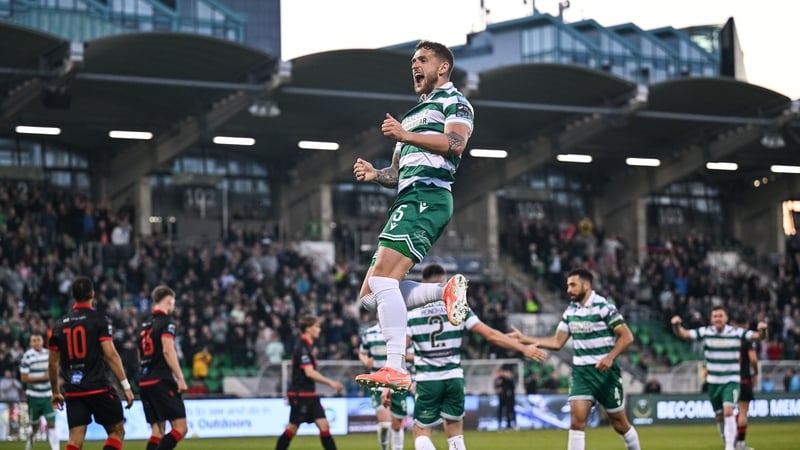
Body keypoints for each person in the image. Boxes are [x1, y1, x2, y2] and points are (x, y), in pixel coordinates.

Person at [352, 39, 475, 391]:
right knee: (368, 296)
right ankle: (444, 291)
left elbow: (455, 144)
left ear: (443, 67)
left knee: (383, 282)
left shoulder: (455, 102)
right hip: (407, 197)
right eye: (412, 62)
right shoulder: (410, 115)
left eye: (422, 59)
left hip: (429, 196)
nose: (415, 66)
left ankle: (396, 367)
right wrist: (377, 175)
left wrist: (406, 134)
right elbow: (397, 173)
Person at [400, 275, 546, 450]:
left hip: (427, 379)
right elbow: (490, 335)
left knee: (421, 432)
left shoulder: (412, 314)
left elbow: (400, 351)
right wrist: (523, 348)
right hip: (454, 378)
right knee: (455, 434)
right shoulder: (458, 307)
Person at [508, 268, 642, 450]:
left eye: (573, 285)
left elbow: (627, 337)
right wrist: (525, 339)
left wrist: (610, 357)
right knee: (577, 421)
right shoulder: (570, 311)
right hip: (581, 373)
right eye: (568, 285)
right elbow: (557, 342)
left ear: (586, 285)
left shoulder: (604, 307)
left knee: (619, 424)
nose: (568, 289)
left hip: (606, 373)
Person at [48, 276, 134, 450]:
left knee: (75, 439)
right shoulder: (99, 319)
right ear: (93, 294)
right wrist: (126, 386)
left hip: (73, 390)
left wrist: (56, 392)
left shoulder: (59, 325)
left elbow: (52, 363)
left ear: (73, 295)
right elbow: (110, 354)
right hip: (98, 387)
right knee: (117, 431)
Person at [671, 306, 767, 450]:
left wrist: (763, 330)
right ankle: (729, 442)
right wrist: (676, 325)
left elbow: (758, 337)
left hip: (731, 380)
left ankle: (729, 447)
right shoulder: (706, 332)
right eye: (715, 316)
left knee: (728, 411)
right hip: (713, 382)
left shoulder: (736, 333)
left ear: (726, 318)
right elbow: (683, 334)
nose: (717, 319)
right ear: (711, 319)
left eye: (720, 316)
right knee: (719, 417)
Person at [275, 316, 344, 450]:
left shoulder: (307, 347)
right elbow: (309, 372)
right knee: (292, 428)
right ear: (308, 329)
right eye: (316, 327)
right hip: (301, 395)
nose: (319, 330)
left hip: (310, 395)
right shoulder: (302, 348)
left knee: (324, 426)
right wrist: (331, 383)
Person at [137, 285, 188, 450]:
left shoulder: (144, 326)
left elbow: (140, 354)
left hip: (145, 382)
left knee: (157, 433)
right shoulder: (167, 323)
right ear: (169, 301)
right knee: (180, 428)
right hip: (161, 381)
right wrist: (180, 377)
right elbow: (168, 349)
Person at [359, 320, 407, 450]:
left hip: (396, 382)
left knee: (397, 425)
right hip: (377, 382)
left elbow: (409, 354)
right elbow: (362, 352)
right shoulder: (369, 333)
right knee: (385, 423)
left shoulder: (400, 333)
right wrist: (365, 361)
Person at [20, 333, 59, 450]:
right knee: (34, 427)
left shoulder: (48, 354)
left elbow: (54, 371)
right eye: (34, 340)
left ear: (42, 341)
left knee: (51, 424)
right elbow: (24, 378)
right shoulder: (27, 356)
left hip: (48, 395)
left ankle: (55, 448)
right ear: (30, 343)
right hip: (34, 397)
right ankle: (30, 444)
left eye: (38, 340)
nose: (36, 342)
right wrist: (44, 377)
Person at [731, 315, 758, 450]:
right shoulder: (747, 340)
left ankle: (730, 441)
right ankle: (740, 443)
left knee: (729, 412)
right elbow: (753, 359)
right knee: (742, 411)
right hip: (744, 378)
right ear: (746, 325)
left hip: (729, 379)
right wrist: (756, 372)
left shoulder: (729, 339)